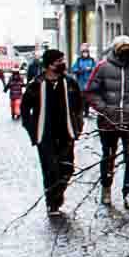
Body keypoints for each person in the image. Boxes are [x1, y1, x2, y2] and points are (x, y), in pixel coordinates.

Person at [85, 34, 129, 210]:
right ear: (115, 50)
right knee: (109, 156)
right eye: (122, 51)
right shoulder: (102, 68)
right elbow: (90, 91)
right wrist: (104, 109)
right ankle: (106, 188)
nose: (125, 55)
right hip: (108, 121)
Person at [19, 48, 85, 212]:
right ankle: (53, 202)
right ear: (49, 65)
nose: (63, 64)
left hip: (66, 133)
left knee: (67, 168)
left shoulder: (69, 83)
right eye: (59, 62)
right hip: (45, 135)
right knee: (50, 169)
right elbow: (25, 109)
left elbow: (79, 105)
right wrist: (33, 131)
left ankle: (57, 193)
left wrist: (78, 125)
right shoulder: (36, 84)